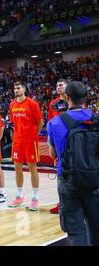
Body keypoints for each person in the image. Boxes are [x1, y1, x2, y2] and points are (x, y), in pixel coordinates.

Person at [47, 81, 99, 246]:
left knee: (76, 231)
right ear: (85, 99)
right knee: (96, 228)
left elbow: (53, 154)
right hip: (95, 180)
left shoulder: (54, 123)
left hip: (68, 180)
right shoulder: (96, 119)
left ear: (67, 97)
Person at [8, 81, 44, 211]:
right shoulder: (12, 104)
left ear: (24, 89)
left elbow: (40, 122)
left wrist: (34, 135)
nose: (16, 90)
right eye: (14, 88)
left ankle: (35, 198)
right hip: (18, 141)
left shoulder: (32, 104)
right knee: (17, 168)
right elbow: (13, 123)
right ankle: (19, 196)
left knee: (32, 168)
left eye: (18, 88)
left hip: (30, 141)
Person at [47, 79, 69, 214]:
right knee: (59, 172)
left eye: (61, 85)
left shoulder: (74, 101)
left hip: (72, 138)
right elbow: (50, 121)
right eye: (56, 85)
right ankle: (61, 203)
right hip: (57, 140)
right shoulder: (52, 103)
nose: (58, 87)